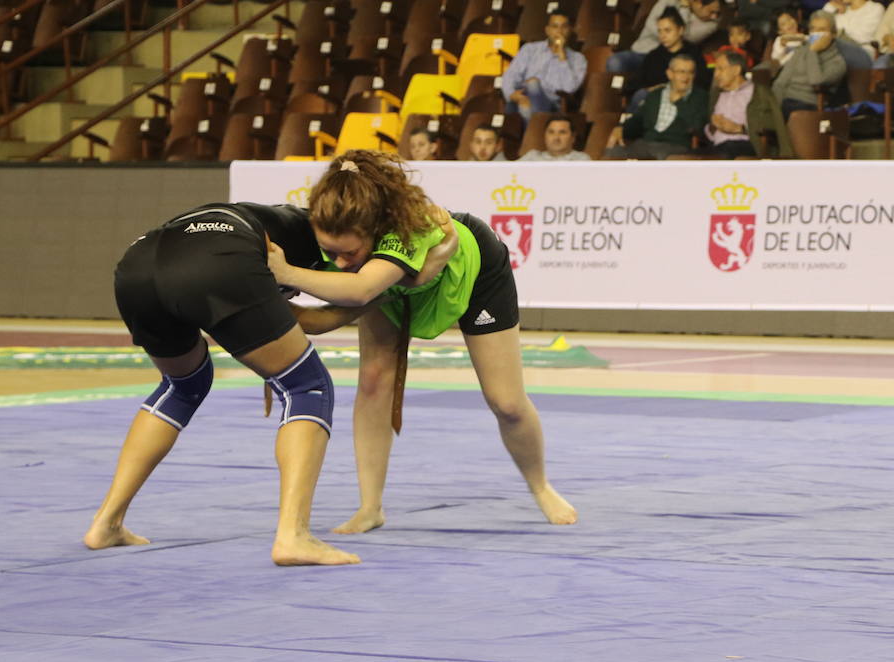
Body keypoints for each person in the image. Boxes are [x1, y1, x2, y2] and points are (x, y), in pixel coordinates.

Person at [264, 150, 578, 533]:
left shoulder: (410, 225)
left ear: (377, 228)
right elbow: (323, 317)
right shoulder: (334, 233)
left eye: (349, 253)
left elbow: (361, 288)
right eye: (330, 253)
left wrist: (287, 273)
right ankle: (370, 508)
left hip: (473, 276)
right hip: (392, 291)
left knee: (507, 402)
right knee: (374, 380)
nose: (339, 262)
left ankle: (541, 486)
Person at [82, 200, 405, 567]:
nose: (344, 263)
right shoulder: (296, 240)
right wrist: (385, 291)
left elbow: (300, 320)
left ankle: (106, 522)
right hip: (211, 259)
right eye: (340, 253)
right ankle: (293, 536)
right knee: (307, 386)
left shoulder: (277, 227)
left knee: (183, 385)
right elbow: (322, 314)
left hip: (138, 266)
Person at [607, 0, 724, 76]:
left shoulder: (713, 23)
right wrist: (668, 36)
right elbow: (651, 22)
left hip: (669, 60)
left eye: (717, 13)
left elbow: (683, 38)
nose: (714, 16)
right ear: (698, 3)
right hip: (643, 51)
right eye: (711, 11)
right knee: (615, 62)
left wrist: (685, 7)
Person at [605, 54, 708, 159]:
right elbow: (638, 120)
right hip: (646, 144)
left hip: (675, 148)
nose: (686, 77)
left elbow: (697, 126)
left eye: (690, 72)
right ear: (670, 74)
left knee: (657, 158)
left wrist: (679, 101)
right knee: (612, 153)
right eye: (681, 72)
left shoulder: (700, 97)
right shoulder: (656, 95)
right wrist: (621, 129)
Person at [502, 11, 586, 121]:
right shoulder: (530, 49)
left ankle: (533, 129)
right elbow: (510, 75)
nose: (559, 31)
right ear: (547, 30)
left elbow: (569, 89)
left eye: (564, 27)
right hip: (522, 97)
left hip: (552, 104)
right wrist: (512, 95)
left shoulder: (578, 59)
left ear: (570, 30)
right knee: (517, 104)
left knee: (533, 84)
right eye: (555, 27)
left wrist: (562, 56)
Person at [772, 10, 847, 118]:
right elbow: (780, 82)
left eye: (821, 30)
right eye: (813, 29)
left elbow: (816, 81)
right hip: (785, 102)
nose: (816, 33)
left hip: (808, 105)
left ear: (833, 34)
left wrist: (812, 51)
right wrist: (774, 111)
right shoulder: (801, 50)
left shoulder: (838, 62)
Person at [630, 7, 707, 108]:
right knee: (640, 95)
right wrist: (651, 89)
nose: (662, 36)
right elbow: (637, 81)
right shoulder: (654, 56)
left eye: (667, 30)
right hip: (655, 101)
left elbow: (702, 82)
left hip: (685, 100)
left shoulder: (694, 53)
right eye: (660, 31)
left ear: (680, 30)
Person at [700, 51, 760, 158]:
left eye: (721, 69)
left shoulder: (755, 92)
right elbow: (709, 132)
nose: (716, 75)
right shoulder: (717, 95)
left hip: (743, 145)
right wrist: (713, 126)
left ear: (736, 70)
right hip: (717, 146)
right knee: (677, 160)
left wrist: (740, 129)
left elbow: (768, 125)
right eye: (715, 70)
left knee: (724, 152)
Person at [827, 0, 885, 71]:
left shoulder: (875, 8)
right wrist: (830, 7)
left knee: (828, 41)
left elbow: (860, 37)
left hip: (863, 53)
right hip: (836, 54)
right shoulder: (839, 10)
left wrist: (832, 35)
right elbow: (818, 26)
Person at [517, 114, 591, 160]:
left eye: (562, 132)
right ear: (545, 136)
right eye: (551, 132)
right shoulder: (532, 157)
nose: (556, 138)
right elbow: (508, 171)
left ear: (573, 137)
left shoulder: (581, 160)